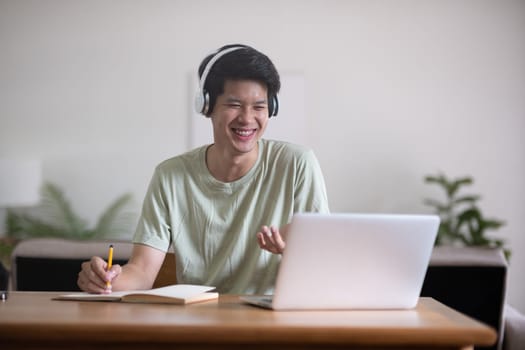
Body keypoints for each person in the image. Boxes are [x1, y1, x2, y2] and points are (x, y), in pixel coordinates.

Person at [78, 44, 329, 295]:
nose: (247, 118)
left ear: (272, 108)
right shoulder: (170, 176)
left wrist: (292, 251)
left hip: (270, 322)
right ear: (206, 105)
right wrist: (107, 280)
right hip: (199, 321)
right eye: (235, 104)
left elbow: (325, 261)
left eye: (259, 106)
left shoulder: (297, 164)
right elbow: (142, 272)